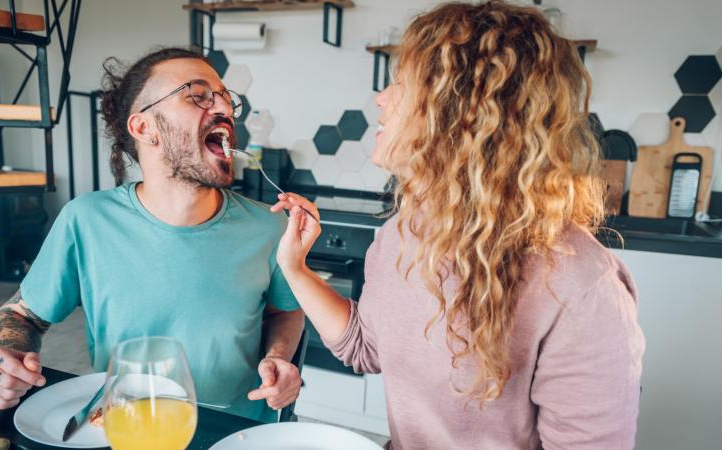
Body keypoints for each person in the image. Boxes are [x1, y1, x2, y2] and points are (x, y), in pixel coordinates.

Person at [271, 1, 645, 448]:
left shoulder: (580, 284)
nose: (381, 99)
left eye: (402, 84)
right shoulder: (401, 235)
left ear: (463, 113)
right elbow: (364, 348)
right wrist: (296, 268)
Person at [0, 47, 304, 423]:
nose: (225, 110)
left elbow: (284, 311)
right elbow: (23, 316)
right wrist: (4, 362)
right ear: (143, 127)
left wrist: (278, 358)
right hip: (128, 425)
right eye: (198, 95)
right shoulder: (86, 220)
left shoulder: (270, 225)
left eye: (228, 100)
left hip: (238, 429)